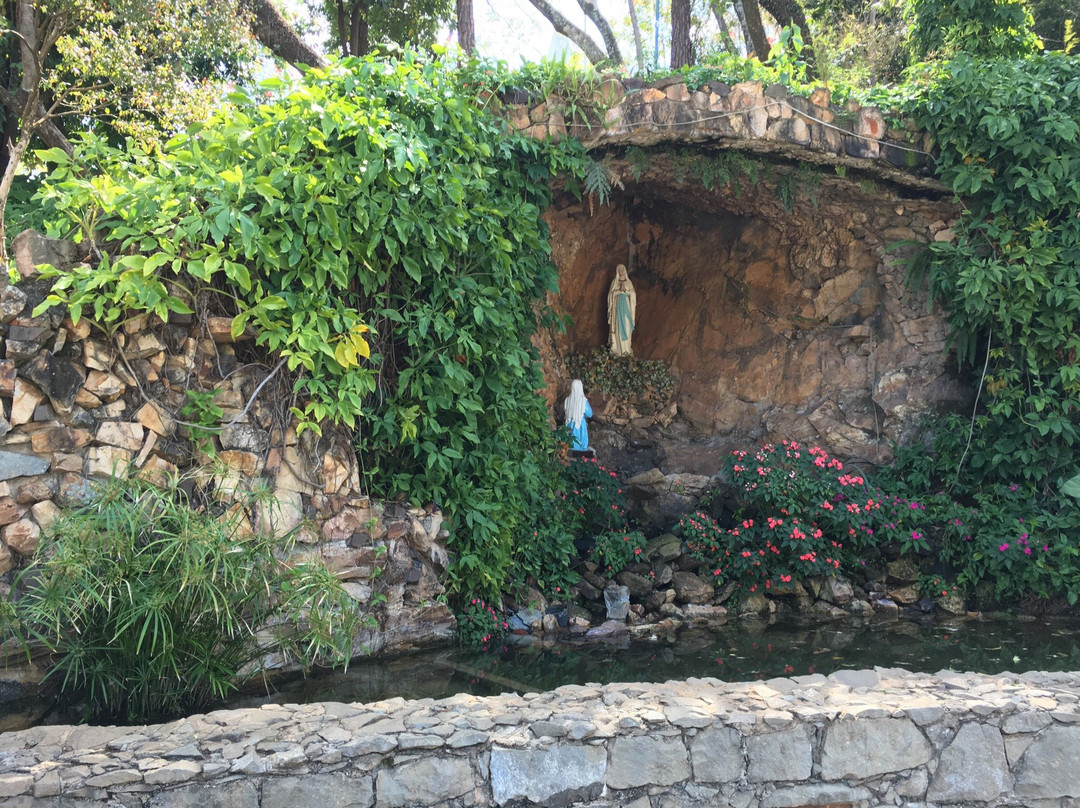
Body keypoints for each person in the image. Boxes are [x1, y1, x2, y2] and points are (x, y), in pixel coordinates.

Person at [607, 263, 636, 357]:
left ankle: (626, 350)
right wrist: (618, 291)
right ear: (617, 271)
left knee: (627, 327)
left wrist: (626, 291)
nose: (622, 271)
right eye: (620, 269)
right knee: (618, 329)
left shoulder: (629, 282)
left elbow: (633, 294)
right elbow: (610, 295)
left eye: (623, 269)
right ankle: (618, 351)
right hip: (617, 309)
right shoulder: (614, 282)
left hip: (626, 309)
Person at [563, 379, 592, 453]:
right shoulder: (583, 400)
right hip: (579, 423)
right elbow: (589, 413)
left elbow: (565, 411)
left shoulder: (567, 400)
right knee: (581, 439)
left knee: (569, 438)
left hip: (569, 423)